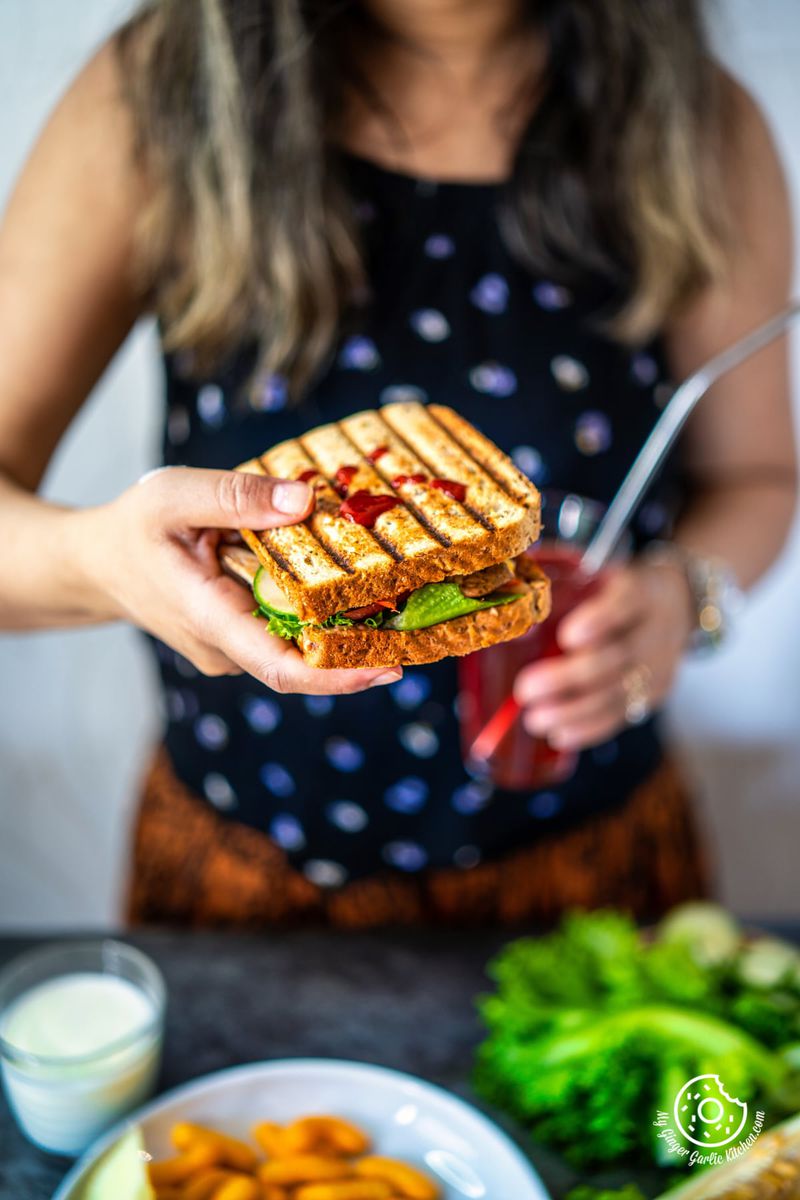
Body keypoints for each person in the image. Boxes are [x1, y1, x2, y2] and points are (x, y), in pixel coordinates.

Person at [0, 0, 795, 927]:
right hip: (246, 885)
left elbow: (757, 480)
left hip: (595, 872)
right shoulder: (155, 95)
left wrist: (683, 594)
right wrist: (104, 566)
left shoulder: (694, 122)